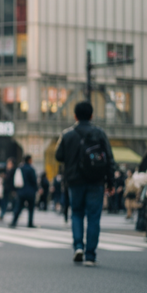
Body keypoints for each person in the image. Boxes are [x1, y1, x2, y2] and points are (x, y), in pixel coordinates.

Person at [56, 101, 116, 266]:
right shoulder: (99, 133)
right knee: (94, 217)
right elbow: (109, 159)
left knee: (76, 213)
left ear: (75, 116)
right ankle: (90, 255)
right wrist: (111, 182)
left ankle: (78, 247)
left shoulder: (67, 134)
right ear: (91, 115)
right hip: (96, 180)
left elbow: (58, 156)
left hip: (74, 180)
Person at [10, 155, 38, 229]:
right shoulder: (31, 169)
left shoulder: (20, 168)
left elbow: (15, 180)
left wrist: (15, 190)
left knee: (18, 207)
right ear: (29, 160)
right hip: (30, 191)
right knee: (31, 208)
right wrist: (36, 189)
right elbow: (34, 181)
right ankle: (30, 223)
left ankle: (14, 222)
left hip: (21, 191)